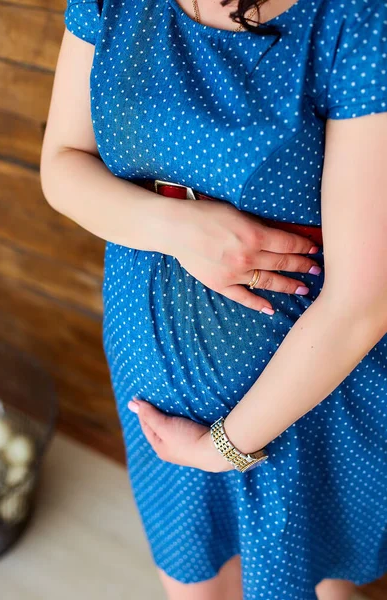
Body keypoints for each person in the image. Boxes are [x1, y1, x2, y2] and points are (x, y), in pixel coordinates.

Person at [40, 0, 387, 598]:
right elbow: (62, 166)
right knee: (192, 580)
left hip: (311, 399)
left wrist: (222, 446)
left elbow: (362, 303)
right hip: (150, 368)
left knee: (321, 587)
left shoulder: (359, 18)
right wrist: (178, 229)